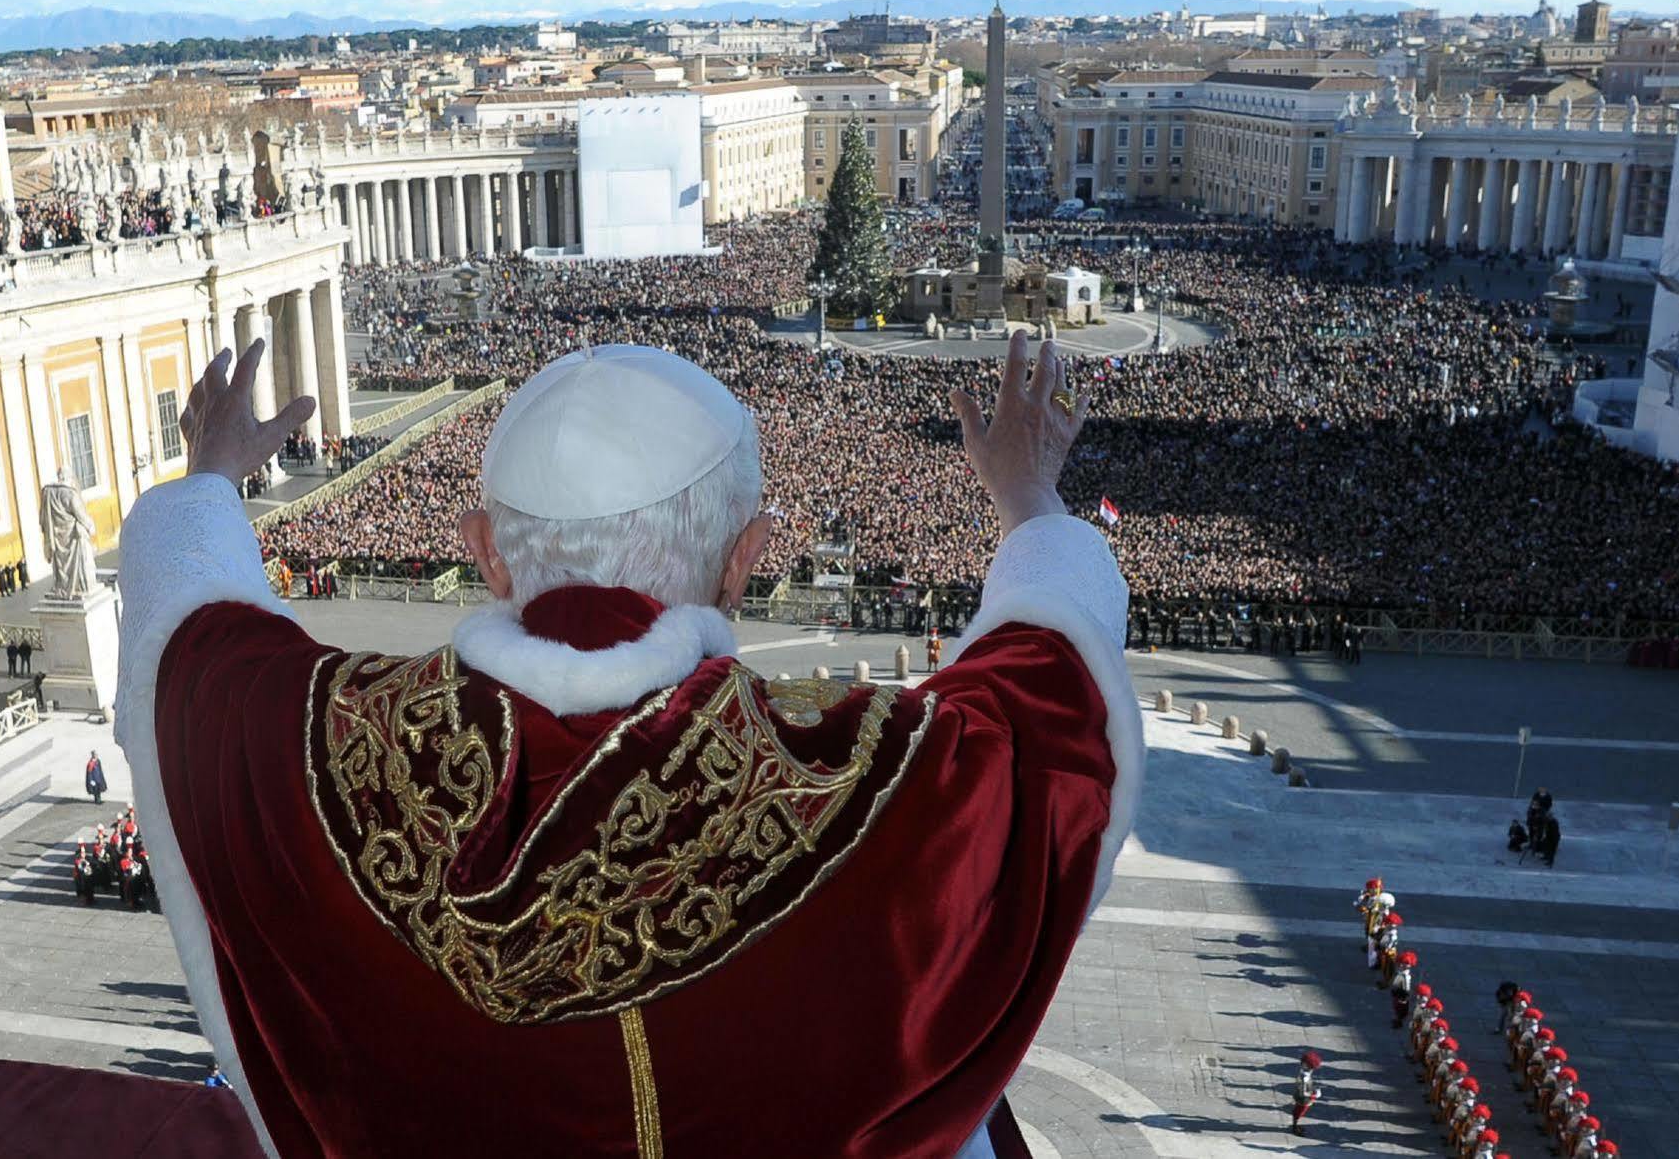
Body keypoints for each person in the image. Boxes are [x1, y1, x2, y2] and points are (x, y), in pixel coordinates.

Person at [112, 335, 1138, 1157]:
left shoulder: (325, 740)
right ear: (747, 561)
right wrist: (1030, 503)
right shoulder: (878, 776)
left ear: (484, 553)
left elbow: (191, 642)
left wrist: (209, 478)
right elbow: (1050, 706)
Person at [1289, 1049, 1322, 1135]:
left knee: (1297, 1112)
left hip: (1299, 1097)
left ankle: (1295, 1126)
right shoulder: (1305, 1077)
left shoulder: (1303, 1073)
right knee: (1298, 1113)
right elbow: (1304, 1093)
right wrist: (1315, 1094)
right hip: (1303, 1100)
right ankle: (1295, 1128)